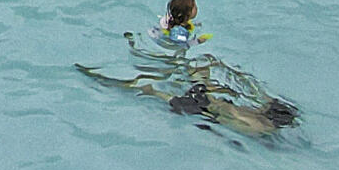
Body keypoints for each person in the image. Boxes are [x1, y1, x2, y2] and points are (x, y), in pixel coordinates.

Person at [80, 17, 299, 136]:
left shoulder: (253, 124)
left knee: (148, 88)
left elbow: (221, 111)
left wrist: (207, 89)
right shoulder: (263, 127)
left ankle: (105, 80)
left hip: (200, 107)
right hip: (207, 106)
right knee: (198, 68)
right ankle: (121, 72)